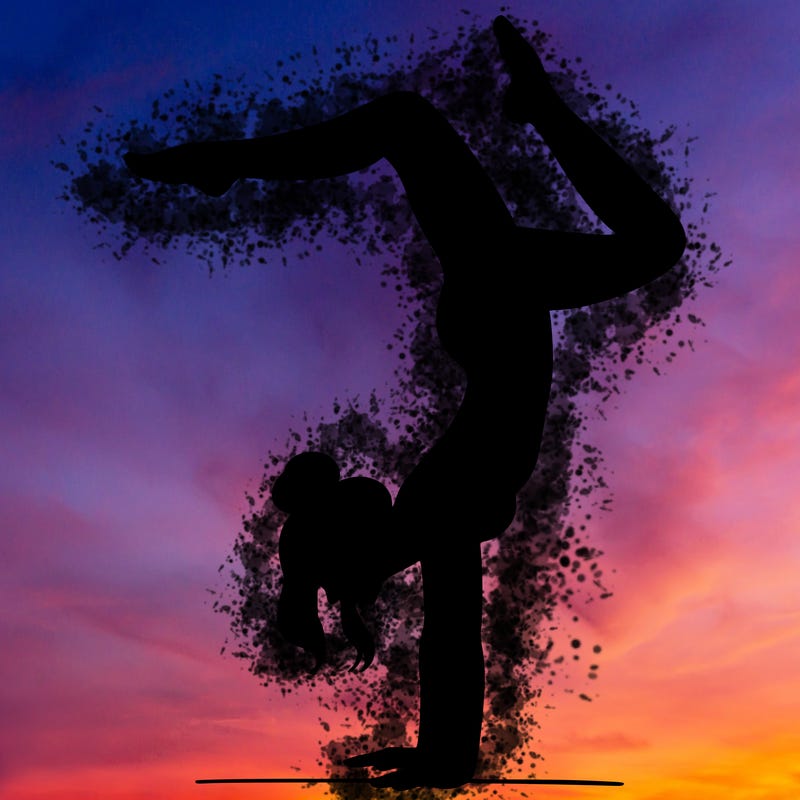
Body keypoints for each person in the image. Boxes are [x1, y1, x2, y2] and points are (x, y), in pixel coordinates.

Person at [124, 16, 686, 788]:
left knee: (409, 124)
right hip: (499, 286)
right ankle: (532, 107)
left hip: (495, 286)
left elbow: (452, 627)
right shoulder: (439, 499)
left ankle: (233, 161)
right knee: (424, 132)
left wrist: (446, 754)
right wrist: (446, 754)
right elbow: (451, 628)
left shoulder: (439, 496)